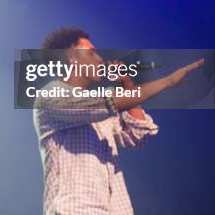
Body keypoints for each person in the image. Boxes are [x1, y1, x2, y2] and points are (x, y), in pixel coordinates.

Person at [33, 27, 204, 215]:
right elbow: (106, 103)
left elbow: (139, 135)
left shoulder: (98, 108)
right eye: (91, 52)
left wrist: (127, 84)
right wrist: (168, 82)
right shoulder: (50, 95)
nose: (99, 59)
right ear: (72, 56)